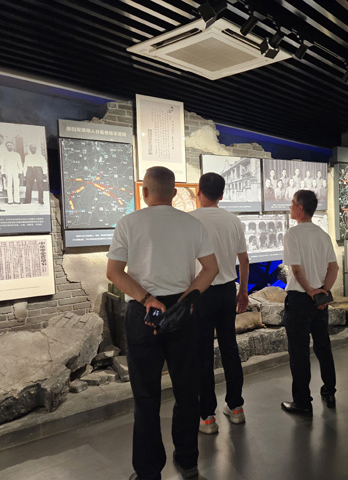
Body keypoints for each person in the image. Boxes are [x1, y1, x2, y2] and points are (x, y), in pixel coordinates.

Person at [106, 166, 219, 480]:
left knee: (146, 396)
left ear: (144, 192)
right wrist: (186, 299)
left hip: (144, 312)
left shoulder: (129, 223)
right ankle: (188, 460)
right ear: (174, 192)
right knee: (186, 390)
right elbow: (211, 269)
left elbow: (114, 272)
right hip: (182, 313)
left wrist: (146, 299)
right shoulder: (192, 223)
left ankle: (148, 471)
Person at [190, 172, 249, 435]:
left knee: (202, 353)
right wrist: (243, 290)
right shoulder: (233, 220)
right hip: (227, 290)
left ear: (198, 191)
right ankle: (236, 408)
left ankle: (207, 417)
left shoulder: (190, 219)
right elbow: (244, 260)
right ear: (222, 195)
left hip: (200, 292)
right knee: (229, 348)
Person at [281, 189, 338, 416]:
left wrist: (311, 292)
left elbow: (296, 269)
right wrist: (323, 292)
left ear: (300, 208)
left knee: (299, 351)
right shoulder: (322, 235)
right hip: (319, 301)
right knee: (323, 346)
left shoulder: (292, 234)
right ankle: (329, 390)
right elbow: (333, 268)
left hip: (300, 299)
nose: (290, 207)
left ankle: (302, 401)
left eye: (292, 203)